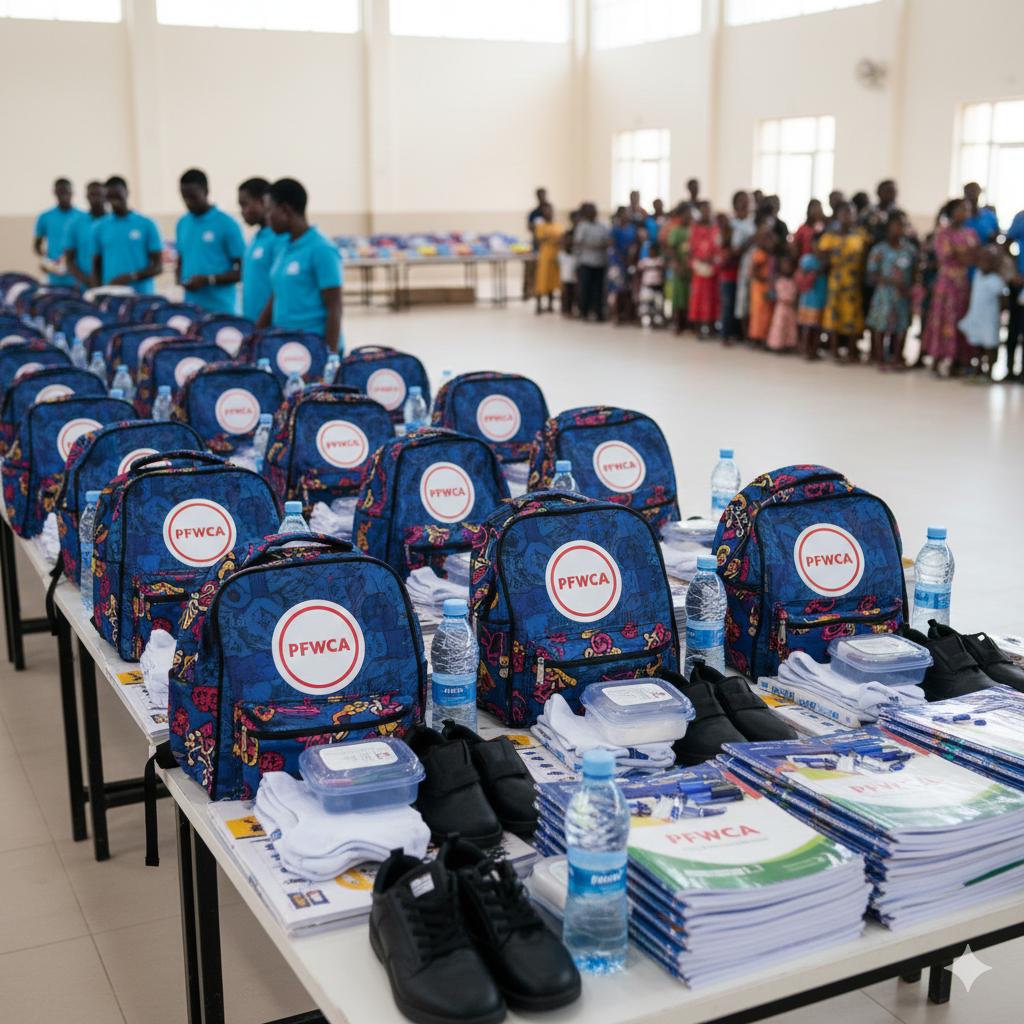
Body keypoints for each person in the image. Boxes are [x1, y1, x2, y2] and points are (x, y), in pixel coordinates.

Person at [259, 178, 343, 353]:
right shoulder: (283, 247)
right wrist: (257, 332)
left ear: (285, 209)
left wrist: (331, 355)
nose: (267, 218)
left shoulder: (322, 248)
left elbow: (335, 307)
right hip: (287, 346)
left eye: (268, 211)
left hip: (314, 347)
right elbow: (278, 292)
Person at [920, 198, 979, 377]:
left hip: (964, 283)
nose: (965, 213)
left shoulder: (970, 233)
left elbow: (974, 256)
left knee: (961, 318)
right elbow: (947, 256)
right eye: (961, 209)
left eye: (967, 209)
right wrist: (964, 255)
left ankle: (957, 361)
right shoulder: (943, 233)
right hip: (947, 283)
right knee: (943, 318)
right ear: (952, 212)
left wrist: (963, 255)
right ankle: (937, 359)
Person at [176, 168, 244, 314]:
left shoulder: (227, 223)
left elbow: (243, 270)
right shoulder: (182, 223)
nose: (188, 202)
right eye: (184, 197)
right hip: (191, 308)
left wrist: (209, 280)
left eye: (192, 197)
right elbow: (182, 256)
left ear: (206, 191)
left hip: (221, 309)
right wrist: (179, 279)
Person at [92, 177, 163, 293]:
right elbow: (96, 267)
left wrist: (132, 277)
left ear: (127, 192)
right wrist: (96, 292)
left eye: (117, 195)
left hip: (142, 296)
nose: (114, 200)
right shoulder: (100, 227)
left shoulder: (147, 224)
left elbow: (158, 266)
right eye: (110, 197)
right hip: (111, 295)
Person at [865, 212, 916, 368]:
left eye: (902, 226)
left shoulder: (909, 250)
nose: (899, 229)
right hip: (884, 294)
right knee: (881, 325)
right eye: (896, 226)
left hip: (902, 295)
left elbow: (914, 272)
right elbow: (872, 272)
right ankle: (880, 357)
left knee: (901, 326)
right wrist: (891, 282)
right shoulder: (879, 250)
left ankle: (897, 357)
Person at [817, 202, 867, 361]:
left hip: (853, 280)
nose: (847, 217)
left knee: (852, 314)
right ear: (838, 216)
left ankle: (851, 352)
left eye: (851, 213)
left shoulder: (861, 235)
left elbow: (865, 257)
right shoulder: (830, 236)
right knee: (834, 312)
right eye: (844, 213)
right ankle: (834, 350)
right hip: (836, 279)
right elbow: (823, 258)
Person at [957, 244, 1007, 380]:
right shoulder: (978, 275)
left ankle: (988, 373)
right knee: (977, 344)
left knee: (990, 345)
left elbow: (1003, 299)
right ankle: (978, 370)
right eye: (982, 260)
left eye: (988, 261)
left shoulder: (996, 280)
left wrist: (1001, 314)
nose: (983, 264)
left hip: (990, 319)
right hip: (977, 316)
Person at [238, 177, 280, 324]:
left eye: (245, 205)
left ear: (263, 201)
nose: (242, 211)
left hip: (269, 325)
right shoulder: (255, 238)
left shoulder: (278, 238)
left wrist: (262, 324)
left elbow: (279, 289)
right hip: (251, 322)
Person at [34, 178, 80, 287]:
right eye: (61, 192)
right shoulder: (45, 217)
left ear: (72, 192)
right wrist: (45, 261)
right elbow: (37, 245)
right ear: (55, 193)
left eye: (66, 192)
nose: (64, 195)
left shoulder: (82, 217)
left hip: (77, 278)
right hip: (53, 278)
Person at [65, 180, 106, 289]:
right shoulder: (75, 224)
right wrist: (87, 280)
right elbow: (69, 260)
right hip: (84, 286)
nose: (96, 199)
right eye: (93, 195)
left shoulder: (114, 224)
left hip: (110, 284)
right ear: (87, 197)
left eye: (100, 195)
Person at [573, 203, 610, 322]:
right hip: (586, 262)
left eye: (593, 211)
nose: (591, 213)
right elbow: (577, 243)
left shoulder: (603, 226)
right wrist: (593, 247)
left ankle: (598, 313)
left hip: (600, 262)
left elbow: (608, 242)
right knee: (585, 289)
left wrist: (597, 246)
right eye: (589, 211)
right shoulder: (582, 226)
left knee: (599, 290)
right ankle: (584, 312)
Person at [687, 202, 719, 336]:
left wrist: (712, 259)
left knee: (712, 298)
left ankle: (711, 327)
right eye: (704, 211)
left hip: (712, 269)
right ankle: (697, 327)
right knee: (697, 298)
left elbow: (718, 246)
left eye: (708, 210)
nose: (706, 213)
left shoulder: (716, 229)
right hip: (699, 268)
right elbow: (692, 248)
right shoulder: (695, 229)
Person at [729, 191, 757, 340]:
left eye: (748, 201)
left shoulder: (755, 221)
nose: (746, 204)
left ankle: (755, 333)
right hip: (745, 264)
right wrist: (753, 239)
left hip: (759, 264)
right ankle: (745, 334)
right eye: (742, 201)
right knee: (743, 298)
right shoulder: (735, 224)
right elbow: (736, 249)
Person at [796, 235, 828, 358]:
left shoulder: (826, 261)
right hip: (808, 298)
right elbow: (802, 275)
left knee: (817, 327)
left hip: (821, 297)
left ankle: (814, 350)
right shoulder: (807, 259)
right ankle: (805, 350)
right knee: (807, 327)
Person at [1004, 205, 1024, 381]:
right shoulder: (1021, 218)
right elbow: (1007, 245)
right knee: (1015, 326)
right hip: (1020, 281)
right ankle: (1009, 369)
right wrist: (1013, 271)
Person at [747, 224, 776, 345]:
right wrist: (765, 280)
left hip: (767, 286)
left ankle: (764, 337)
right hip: (760, 287)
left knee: (767, 313)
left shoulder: (770, 255)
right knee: (759, 313)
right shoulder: (759, 254)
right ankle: (756, 338)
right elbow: (754, 273)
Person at [666, 203, 693, 334]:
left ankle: (689, 324)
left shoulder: (693, 230)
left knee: (690, 296)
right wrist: (677, 264)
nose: (689, 217)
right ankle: (678, 324)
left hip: (691, 268)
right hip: (679, 268)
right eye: (686, 215)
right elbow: (671, 248)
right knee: (678, 297)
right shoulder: (676, 230)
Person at [533, 203, 563, 314]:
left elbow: (561, 238)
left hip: (556, 255)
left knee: (553, 281)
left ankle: (550, 305)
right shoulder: (540, 226)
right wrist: (549, 237)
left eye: (550, 211)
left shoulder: (558, 225)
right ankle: (539, 304)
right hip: (545, 255)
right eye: (546, 211)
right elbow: (539, 240)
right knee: (542, 280)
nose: (548, 213)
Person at [766, 253, 798, 352]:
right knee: (779, 326)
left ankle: (788, 344)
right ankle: (777, 344)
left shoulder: (793, 281)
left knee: (790, 327)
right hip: (781, 307)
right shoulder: (778, 280)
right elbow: (774, 293)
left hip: (790, 308)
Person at [557, 233, 577, 317]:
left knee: (573, 295)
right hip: (565, 277)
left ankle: (571, 310)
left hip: (574, 278)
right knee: (565, 294)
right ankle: (565, 309)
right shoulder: (561, 254)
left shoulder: (576, 255)